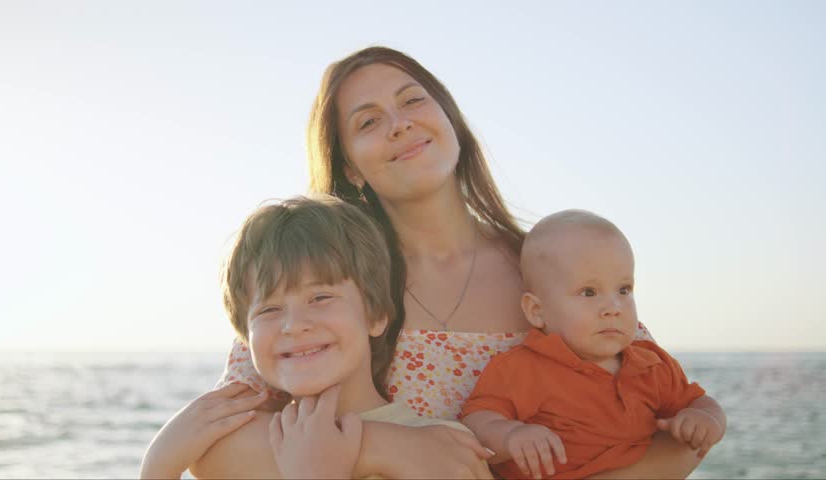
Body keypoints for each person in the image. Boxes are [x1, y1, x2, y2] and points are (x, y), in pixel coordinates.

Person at [189, 45, 706, 479]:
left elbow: (679, 431)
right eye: (369, 121)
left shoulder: (553, 265)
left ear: (451, 120)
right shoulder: (321, 285)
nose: (399, 124)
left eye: (413, 100)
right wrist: (387, 446)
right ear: (350, 165)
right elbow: (213, 448)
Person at [141, 196, 490, 479]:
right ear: (246, 338)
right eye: (269, 310)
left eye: (320, 298)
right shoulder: (233, 445)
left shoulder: (444, 448)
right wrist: (158, 465)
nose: (294, 325)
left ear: (376, 314)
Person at [460, 210, 727, 479]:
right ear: (537, 311)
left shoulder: (653, 364)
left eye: (624, 290)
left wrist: (706, 420)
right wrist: (511, 435)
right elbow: (477, 422)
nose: (613, 307)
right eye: (588, 292)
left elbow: (700, 403)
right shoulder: (522, 368)